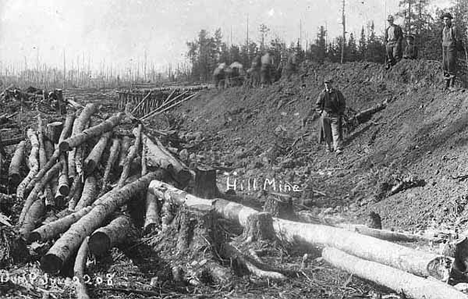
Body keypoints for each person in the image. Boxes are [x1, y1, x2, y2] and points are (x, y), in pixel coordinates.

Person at [315, 76, 346, 154]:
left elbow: (342, 104)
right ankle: (328, 147)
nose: (327, 85)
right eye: (325, 83)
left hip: (335, 115)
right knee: (326, 133)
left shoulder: (337, 93)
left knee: (336, 132)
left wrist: (340, 112)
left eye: (328, 83)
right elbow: (317, 105)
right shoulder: (322, 94)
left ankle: (337, 148)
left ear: (332, 83)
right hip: (325, 115)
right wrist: (321, 112)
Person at [441, 12, 461, 91]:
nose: (445, 21)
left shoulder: (453, 28)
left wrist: (459, 48)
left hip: (451, 49)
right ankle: (446, 85)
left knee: (451, 65)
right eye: (444, 20)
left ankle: (451, 85)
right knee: (445, 65)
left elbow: (457, 40)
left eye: (447, 20)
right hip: (444, 49)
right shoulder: (443, 29)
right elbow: (442, 39)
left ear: (450, 20)